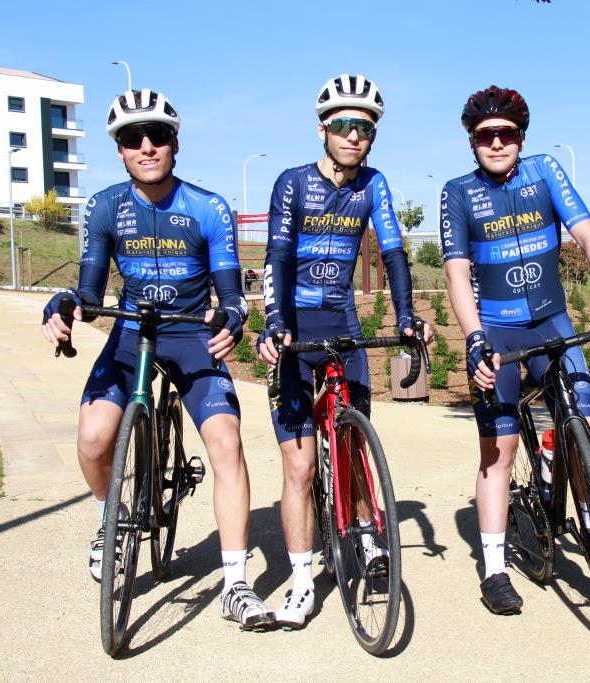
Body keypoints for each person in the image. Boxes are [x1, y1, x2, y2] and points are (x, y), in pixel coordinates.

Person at [41, 88, 274, 630]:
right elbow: (90, 293)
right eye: (131, 138)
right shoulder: (104, 207)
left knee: (226, 441)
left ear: (175, 143)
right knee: (94, 438)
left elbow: (231, 289)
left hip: (191, 334)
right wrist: (67, 305)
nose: (146, 146)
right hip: (131, 334)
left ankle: (235, 584)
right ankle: (113, 516)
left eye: (158, 136)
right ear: (119, 150)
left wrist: (235, 317)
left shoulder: (208, 206)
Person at [439, 85, 590, 615]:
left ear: (520, 137)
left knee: (585, 421)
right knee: (499, 452)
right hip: (499, 331)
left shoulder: (546, 172)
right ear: (472, 143)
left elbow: (589, 238)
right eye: (485, 136)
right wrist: (475, 338)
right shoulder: (458, 192)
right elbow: (458, 273)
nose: (496, 142)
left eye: (506, 133)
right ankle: (493, 569)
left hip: (552, 322)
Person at [257, 74, 432, 629]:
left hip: (342, 321)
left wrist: (406, 315)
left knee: (353, 442)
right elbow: (279, 256)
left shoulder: (374, 184)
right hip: (296, 326)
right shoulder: (292, 183)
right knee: (300, 465)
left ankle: (371, 538)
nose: (355, 135)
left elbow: (395, 251)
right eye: (344, 125)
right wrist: (276, 319)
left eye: (366, 127)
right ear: (322, 130)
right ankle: (303, 583)